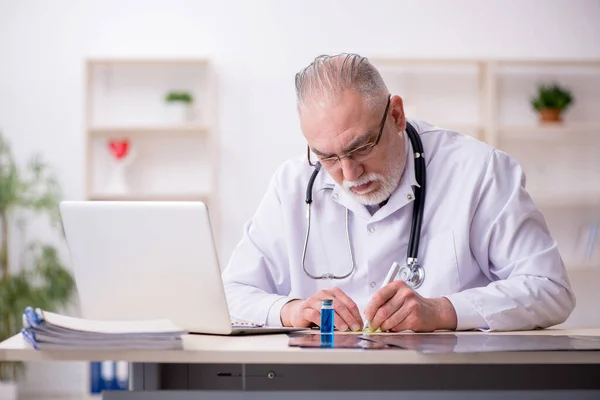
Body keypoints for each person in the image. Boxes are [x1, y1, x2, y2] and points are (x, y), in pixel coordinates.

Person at [221, 53, 576, 332]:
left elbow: (550, 289)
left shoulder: (480, 172)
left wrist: (443, 310)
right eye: (328, 157)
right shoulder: (292, 184)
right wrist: (290, 310)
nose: (348, 173)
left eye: (361, 148)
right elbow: (228, 295)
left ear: (396, 115)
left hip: (447, 384)